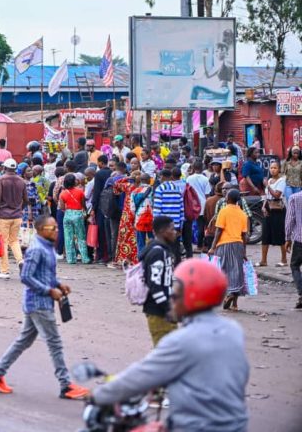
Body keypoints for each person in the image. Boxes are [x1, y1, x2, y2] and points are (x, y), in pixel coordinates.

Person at [92, 258, 249, 432]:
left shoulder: (181, 341)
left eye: (176, 292)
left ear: (192, 296)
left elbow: (138, 377)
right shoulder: (233, 330)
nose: (172, 297)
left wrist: (97, 396)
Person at [0, 215, 90, 400]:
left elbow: (45, 273)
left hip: (40, 301)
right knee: (55, 343)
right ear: (40, 230)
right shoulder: (36, 249)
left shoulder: (48, 248)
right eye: (52, 228)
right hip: (38, 303)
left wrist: (58, 285)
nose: (56, 231)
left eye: (56, 227)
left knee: (24, 340)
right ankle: (65, 385)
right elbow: (26, 276)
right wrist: (49, 291)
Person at [139, 216, 178, 346]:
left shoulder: (164, 250)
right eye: (172, 229)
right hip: (158, 311)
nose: (175, 232)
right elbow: (155, 285)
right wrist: (167, 308)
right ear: (162, 231)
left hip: (164, 310)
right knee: (165, 354)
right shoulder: (157, 253)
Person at [209, 189, 248, 311]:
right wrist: (244, 252)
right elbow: (244, 235)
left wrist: (212, 247)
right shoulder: (242, 214)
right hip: (238, 245)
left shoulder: (223, 211)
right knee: (237, 272)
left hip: (224, 244)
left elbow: (219, 230)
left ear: (228, 198)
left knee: (225, 271)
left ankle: (228, 294)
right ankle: (235, 304)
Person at [0, 159, 28, 279]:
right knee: (14, 241)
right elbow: (26, 200)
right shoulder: (21, 181)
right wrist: (20, 209)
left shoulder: (0, 180)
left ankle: (4, 270)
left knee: (3, 242)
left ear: (5, 168)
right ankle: (20, 261)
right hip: (17, 216)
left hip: (4, 216)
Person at [259, 161, 287, 267]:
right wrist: (263, 206)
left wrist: (267, 186)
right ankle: (263, 260)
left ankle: (284, 260)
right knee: (265, 234)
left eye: (275, 168)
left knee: (280, 233)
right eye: (271, 168)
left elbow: (276, 195)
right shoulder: (270, 180)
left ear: (279, 169)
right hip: (268, 208)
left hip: (278, 209)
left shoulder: (282, 181)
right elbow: (267, 196)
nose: (273, 170)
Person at [58, 174, 90, 265]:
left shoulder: (63, 193)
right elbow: (83, 204)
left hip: (67, 215)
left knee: (68, 237)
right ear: (73, 182)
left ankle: (71, 259)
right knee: (81, 237)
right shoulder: (80, 192)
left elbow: (61, 207)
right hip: (78, 214)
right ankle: (85, 258)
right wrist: (86, 212)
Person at [153, 169, 185, 257]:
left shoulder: (160, 189)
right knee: (175, 248)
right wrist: (181, 225)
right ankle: (176, 267)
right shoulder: (177, 188)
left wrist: (155, 225)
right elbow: (181, 208)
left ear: (162, 176)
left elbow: (157, 209)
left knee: (164, 248)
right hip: (176, 223)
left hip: (163, 225)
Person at [113, 171, 143, 266]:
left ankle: (125, 258)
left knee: (126, 236)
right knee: (137, 236)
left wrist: (127, 177)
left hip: (128, 214)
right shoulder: (144, 188)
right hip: (139, 214)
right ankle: (136, 259)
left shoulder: (128, 186)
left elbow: (116, 185)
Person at [184, 159, 211, 256]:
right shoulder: (205, 179)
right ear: (202, 168)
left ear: (194, 168)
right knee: (202, 226)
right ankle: (201, 245)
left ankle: (192, 245)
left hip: (191, 204)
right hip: (203, 204)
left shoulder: (188, 179)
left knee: (190, 226)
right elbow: (207, 194)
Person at [91, 155, 112, 263]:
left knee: (101, 231)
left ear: (100, 163)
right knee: (110, 231)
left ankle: (101, 255)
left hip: (101, 205)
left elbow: (96, 192)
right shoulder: (111, 172)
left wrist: (93, 207)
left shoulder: (99, 174)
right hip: (111, 205)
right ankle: (109, 254)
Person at [285, 191, 302, 309]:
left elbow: (290, 219)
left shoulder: (295, 198)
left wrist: (287, 238)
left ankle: (301, 292)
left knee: (295, 266)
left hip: (300, 240)